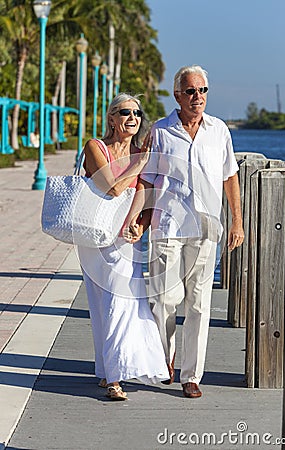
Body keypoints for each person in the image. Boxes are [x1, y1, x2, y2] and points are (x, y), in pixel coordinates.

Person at [135, 65, 245, 398]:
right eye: (191, 91)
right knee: (164, 300)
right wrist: (139, 220)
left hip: (206, 228)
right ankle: (164, 361)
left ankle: (191, 375)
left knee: (199, 303)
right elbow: (147, 179)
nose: (198, 97)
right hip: (167, 226)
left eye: (203, 90)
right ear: (178, 95)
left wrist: (237, 222)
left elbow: (230, 178)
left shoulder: (219, 130)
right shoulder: (161, 131)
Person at [77, 93, 169, 401]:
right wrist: (138, 163)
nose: (133, 117)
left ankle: (113, 377)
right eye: (125, 112)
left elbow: (145, 195)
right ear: (112, 118)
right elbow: (113, 187)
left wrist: (141, 225)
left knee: (121, 302)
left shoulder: (141, 154)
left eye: (137, 113)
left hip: (124, 238)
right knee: (100, 302)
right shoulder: (95, 147)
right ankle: (106, 370)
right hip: (95, 236)